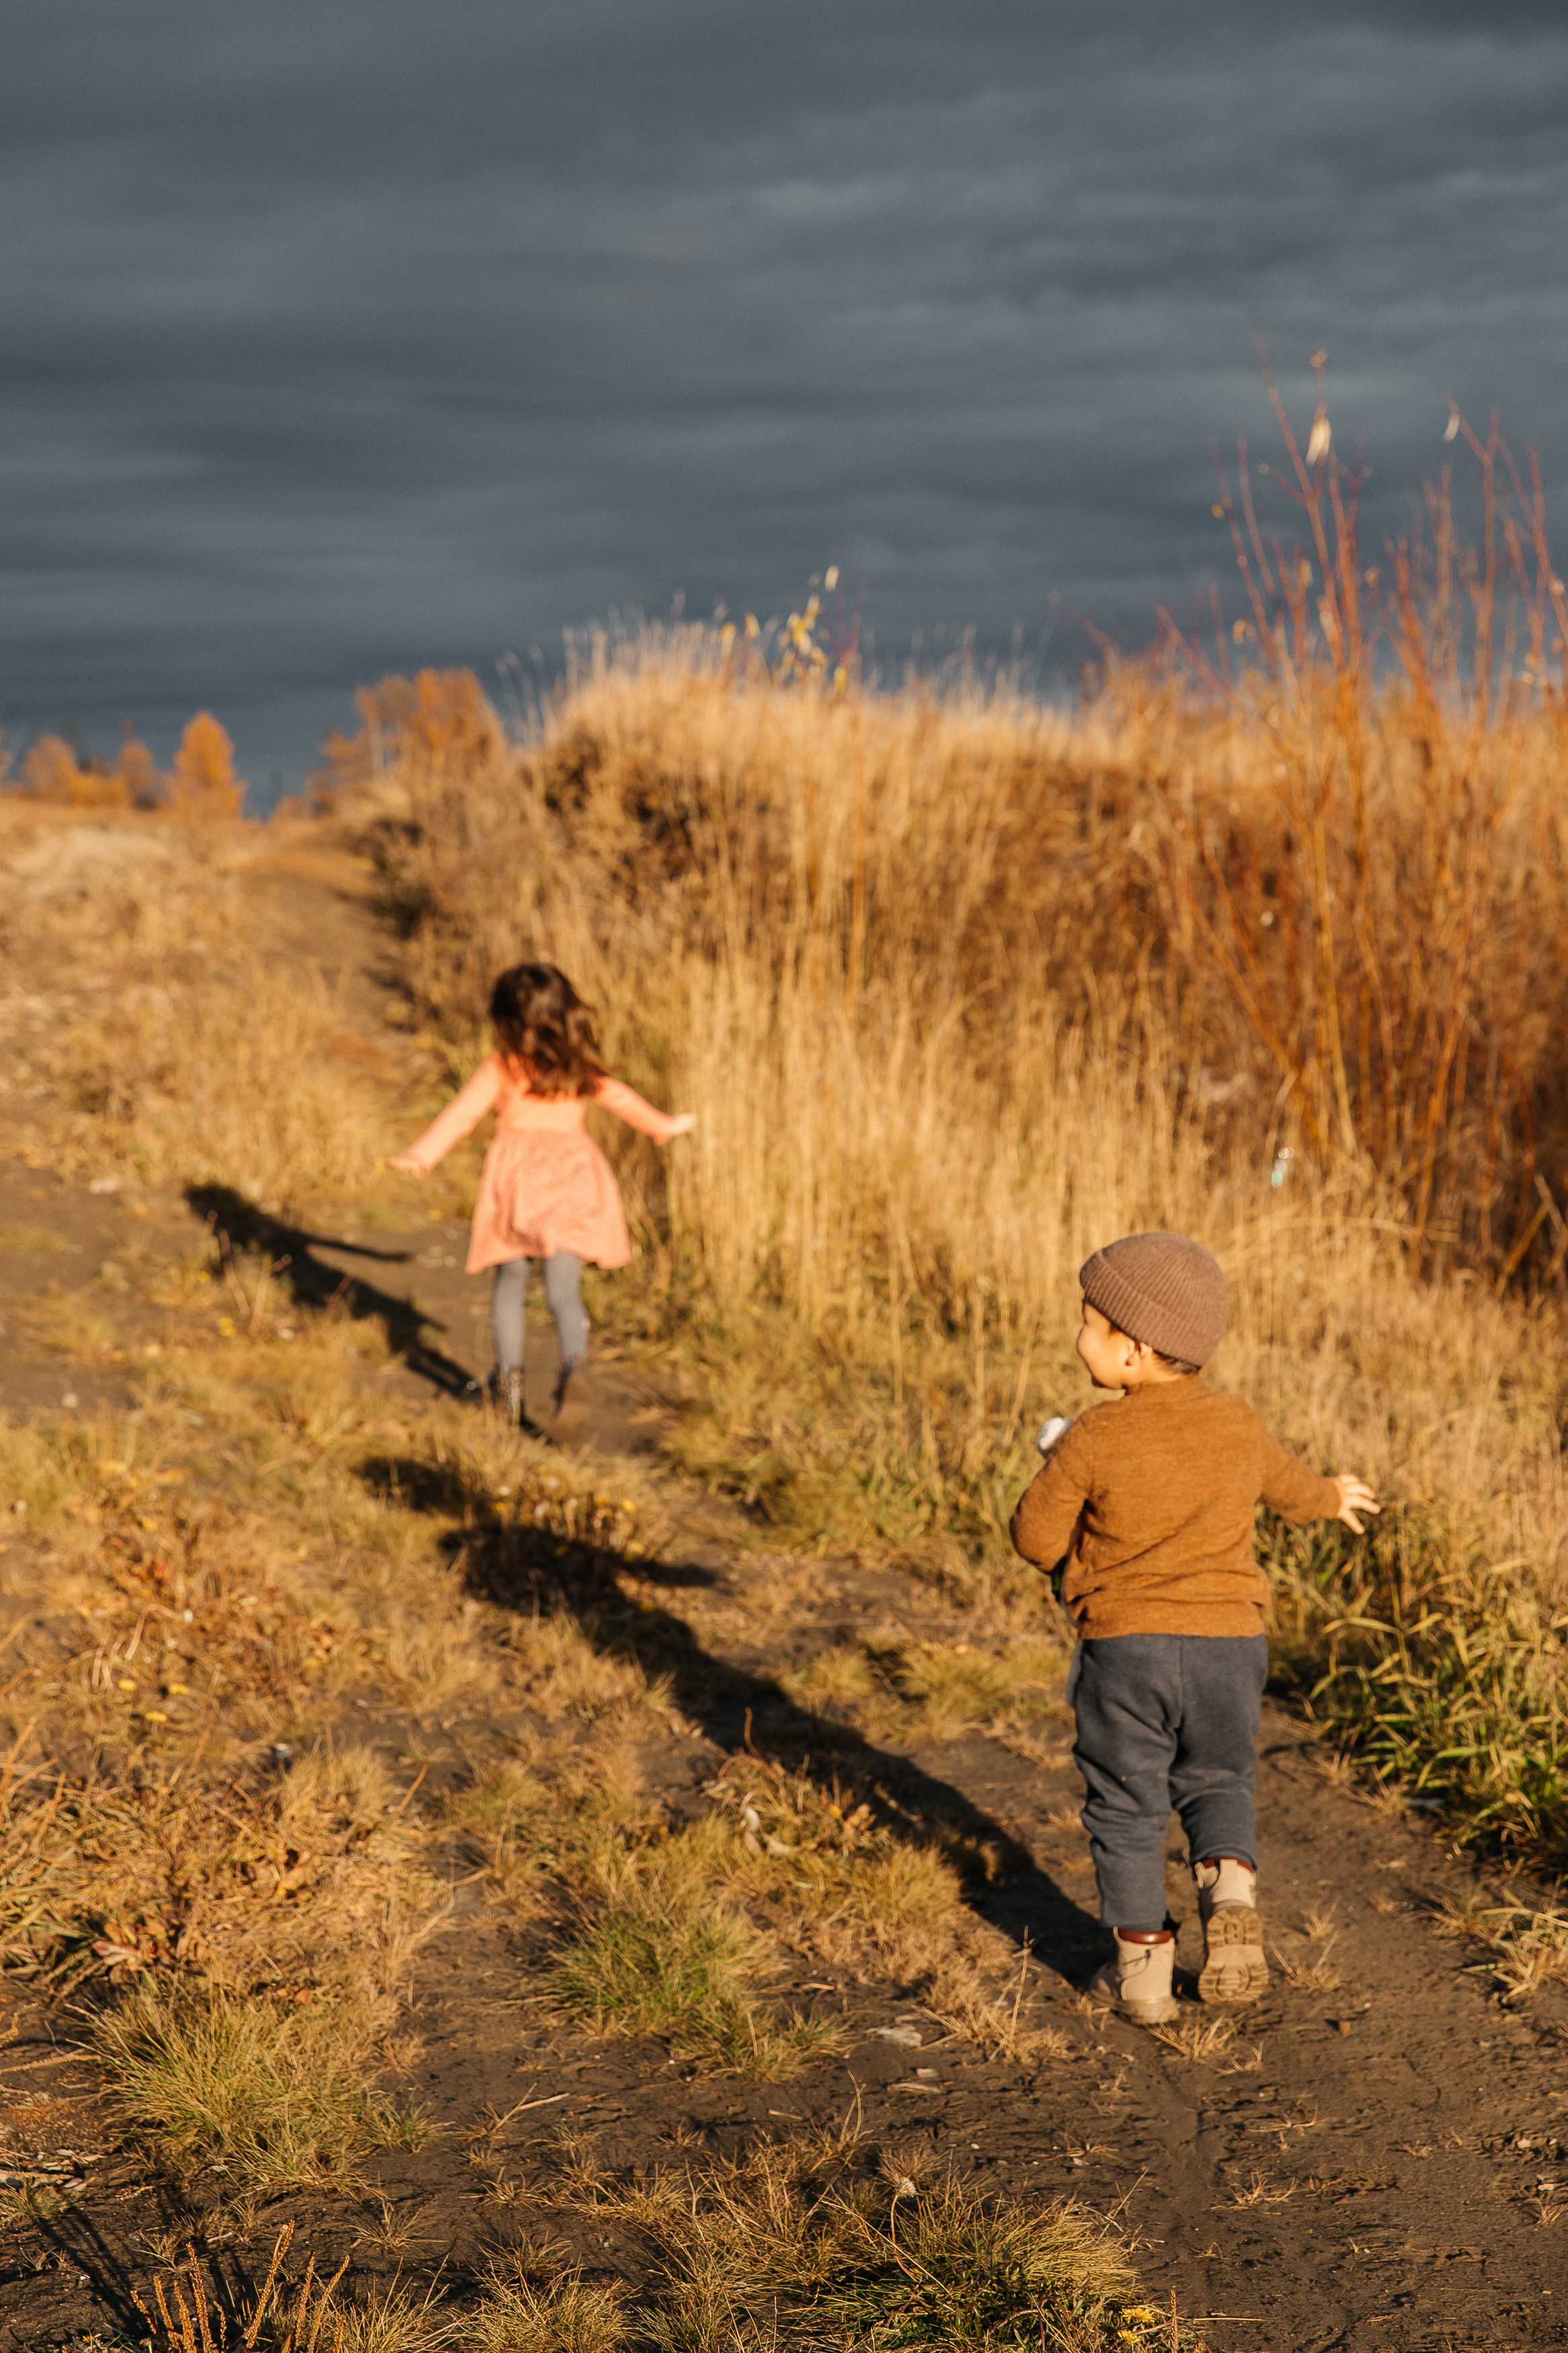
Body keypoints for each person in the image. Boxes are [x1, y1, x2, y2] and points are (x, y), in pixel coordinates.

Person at [1010, 1230, 1378, 2026]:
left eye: (1087, 1322)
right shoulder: (1238, 1424)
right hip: (1228, 1646)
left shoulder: (1091, 1435)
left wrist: (1055, 1468)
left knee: (1125, 1802)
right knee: (1217, 1777)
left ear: (1132, 1350)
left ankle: (1144, 1975)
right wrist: (1332, 1496)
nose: (1077, 1336)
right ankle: (1230, 1888)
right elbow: (1292, 1487)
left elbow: (1034, 1540)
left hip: (1126, 1648)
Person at [388, 961, 694, 1433]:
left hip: (517, 1184)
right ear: (566, 1011)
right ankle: (574, 1370)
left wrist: (420, 1156)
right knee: (563, 1292)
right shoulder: (577, 1066)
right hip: (573, 1179)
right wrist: (664, 1126)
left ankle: (507, 1387)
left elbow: (461, 1115)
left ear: (505, 1017)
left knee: (510, 1284)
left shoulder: (503, 1067)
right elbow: (622, 1099)